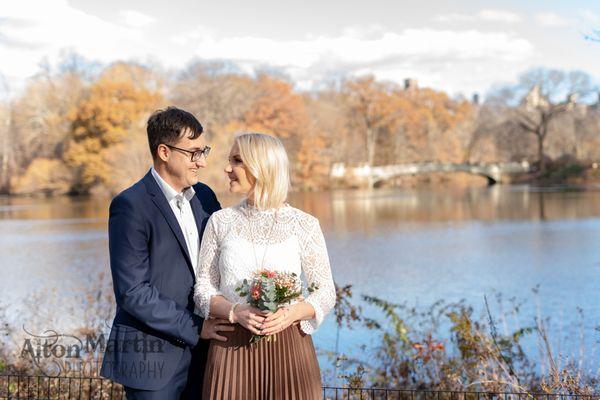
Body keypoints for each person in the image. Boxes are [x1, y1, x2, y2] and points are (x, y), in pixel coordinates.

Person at [100, 107, 234, 399]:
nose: (201, 161)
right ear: (164, 151)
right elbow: (133, 291)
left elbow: (225, 261)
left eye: (204, 151)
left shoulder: (206, 197)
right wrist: (196, 327)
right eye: (193, 153)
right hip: (152, 358)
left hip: (208, 353)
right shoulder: (130, 206)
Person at [194, 132, 336, 400]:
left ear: (261, 167)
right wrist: (235, 311)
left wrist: (292, 313)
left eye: (236, 161)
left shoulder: (304, 224)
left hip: (290, 351)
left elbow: (326, 292)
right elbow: (203, 287)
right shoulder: (219, 222)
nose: (227, 168)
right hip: (230, 349)